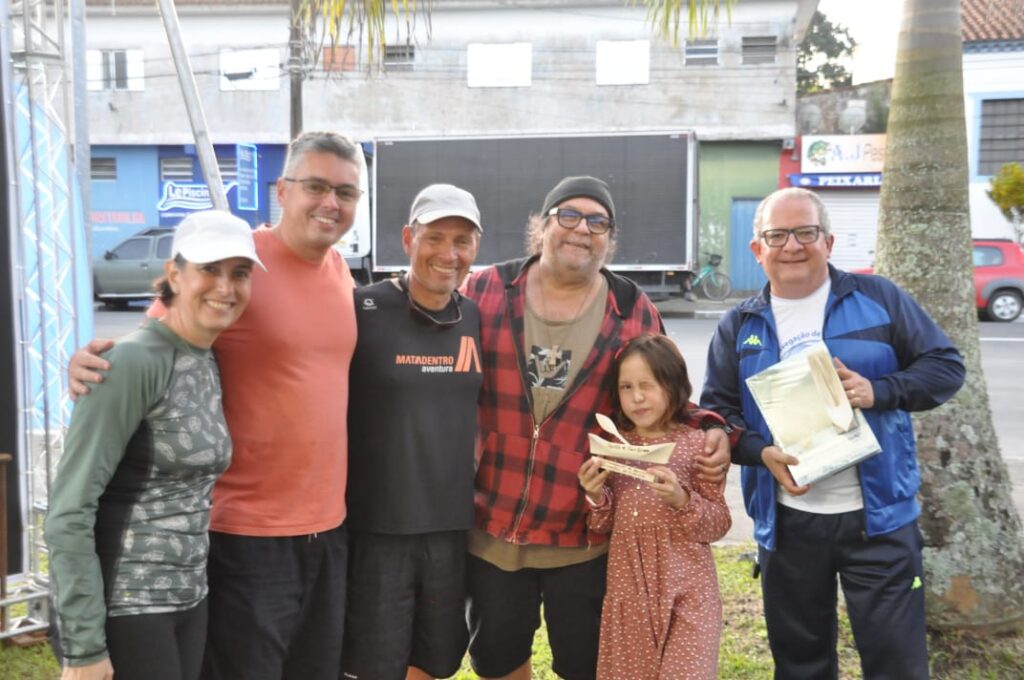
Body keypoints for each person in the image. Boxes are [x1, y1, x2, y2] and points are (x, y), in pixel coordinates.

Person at [67, 131, 363, 680]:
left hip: (328, 531)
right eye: (317, 186)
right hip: (246, 537)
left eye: (346, 192)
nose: (331, 202)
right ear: (282, 189)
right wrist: (87, 364)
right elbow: (152, 341)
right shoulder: (236, 260)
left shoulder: (340, 271)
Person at [460, 176, 733, 680]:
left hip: (583, 533)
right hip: (492, 524)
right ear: (541, 227)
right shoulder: (486, 289)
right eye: (568, 215)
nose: (581, 230)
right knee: (497, 659)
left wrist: (713, 426)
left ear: (610, 237)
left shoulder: (632, 311)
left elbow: (665, 391)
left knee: (584, 665)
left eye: (597, 221)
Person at [701, 187, 966, 679]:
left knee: (898, 665)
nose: (792, 246)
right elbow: (716, 414)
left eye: (806, 232)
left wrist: (879, 390)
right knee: (801, 664)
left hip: (880, 519)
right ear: (757, 249)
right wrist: (761, 453)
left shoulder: (879, 299)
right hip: (790, 521)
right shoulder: (739, 325)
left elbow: (945, 368)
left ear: (829, 241)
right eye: (776, 235)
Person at [46, 210, 263, 680]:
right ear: (174, 274)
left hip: (189, 598)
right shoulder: (130, 364)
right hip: (130, 604)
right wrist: (84, 647)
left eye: (239, 273)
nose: (226, 287)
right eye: (209, 269)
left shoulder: (205, 356)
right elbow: (68, 511)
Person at [341, 184, 483, 680]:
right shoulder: (360, 309)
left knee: (436, 662)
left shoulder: (478, 319)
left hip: (451, 528)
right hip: (377, 530)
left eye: (462, 241)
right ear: (407, 238)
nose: (449, 254)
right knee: (375, 666)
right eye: (435, 237)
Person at [578, 333, 731, 680]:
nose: (637, 397)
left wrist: (682, 500)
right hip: (629, 595)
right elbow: (603, 523)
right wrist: (596, 495)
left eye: (648, 385)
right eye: (626, 387)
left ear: (673, 384)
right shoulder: (614, 446)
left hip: (689, 594)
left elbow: (719, 522)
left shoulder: (698, 446)